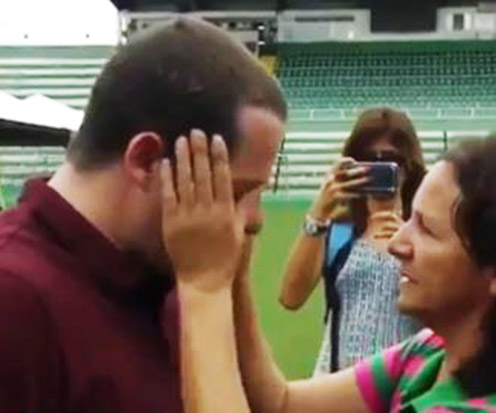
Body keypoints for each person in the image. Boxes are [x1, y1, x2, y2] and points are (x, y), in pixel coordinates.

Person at [163, 131, 496, 413]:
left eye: (425, 229)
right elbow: (281, 403)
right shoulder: (430, 356)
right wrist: (238, 253)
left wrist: (203, 288)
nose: (398, 245)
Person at [0, 17, 287, 412]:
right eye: (232, 192)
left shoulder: (168, 281)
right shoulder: (15, 300)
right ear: (147, 160)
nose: (254, 220)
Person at [279, 108, 426, 374]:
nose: (377, 166)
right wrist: (318, 213)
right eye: (367, 159)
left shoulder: (428, 232)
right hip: (334, 387)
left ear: (408, 166)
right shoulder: (339, 230)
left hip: (404, 391)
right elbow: (291, 297)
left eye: (391, 159)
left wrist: (416, 250)